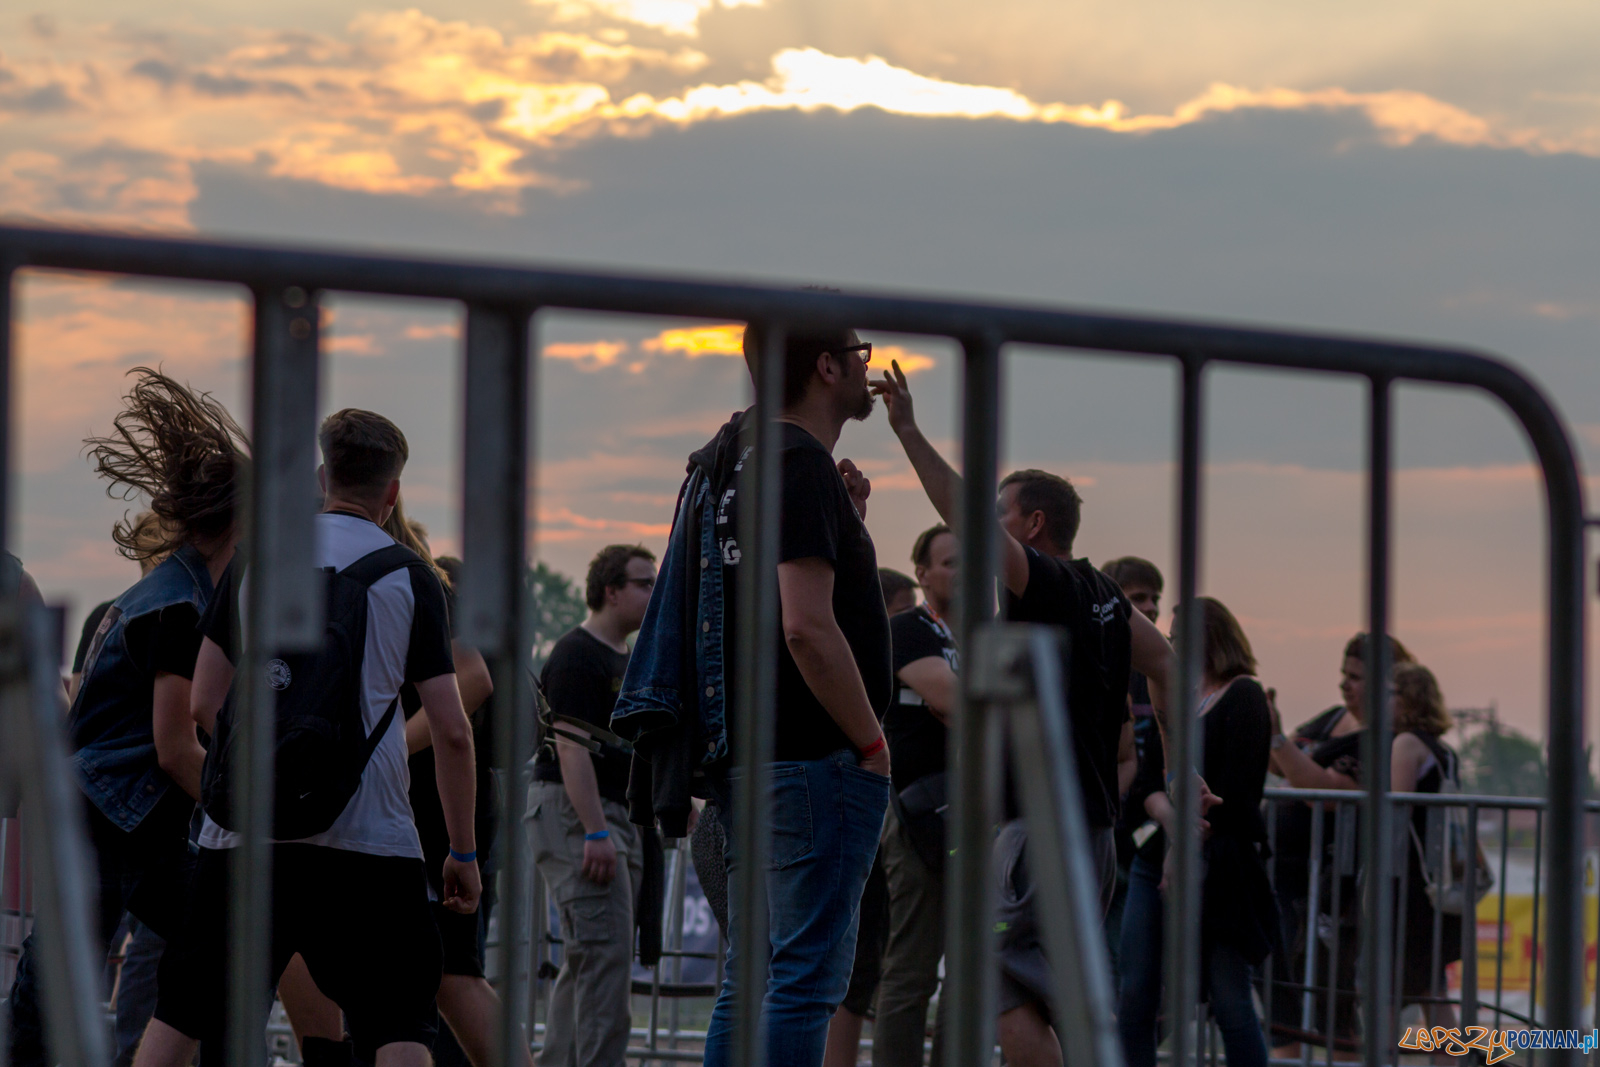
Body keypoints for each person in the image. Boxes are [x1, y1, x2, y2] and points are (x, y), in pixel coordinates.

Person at [134, 408, 481, 1067]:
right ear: (392, 492)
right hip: (370, 836)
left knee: (180, 1014)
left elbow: (206, 702)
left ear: (323, 476)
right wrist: (460, 850)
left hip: (243, 835)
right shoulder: (410, 576)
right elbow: (453, 730)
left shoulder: (256, 562)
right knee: (399, 1023)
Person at [871, 360, 1176, 1067]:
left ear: (1033, 525)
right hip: (1089, 826)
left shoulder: (1051, 583)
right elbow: (1165, 662)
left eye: (1004, 517)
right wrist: (1179, 766)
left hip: (1036, 825)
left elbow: (963, 512)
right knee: (1048, 993)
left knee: (998, 987)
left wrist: (909, 431)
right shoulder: (1103, 592)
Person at [5, 370, 243, 1067]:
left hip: (116, 813)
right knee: (61, 983)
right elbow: (173, 747)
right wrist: (242, 811)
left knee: (202, 957)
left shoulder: (155, 590)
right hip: (115, 817)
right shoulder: (178, 606)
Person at [685, 325, 892, 1067]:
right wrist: (871, 741)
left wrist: (850, 528)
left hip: (751, 754)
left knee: (751, 979)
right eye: (860, 354)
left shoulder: (737, 462)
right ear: (827, 364)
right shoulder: (799, 462)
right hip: (816, 758)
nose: (870, 368)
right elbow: (804, 626)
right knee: (806, 979)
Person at [1268, 654, 1461, 1050]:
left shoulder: (1405, 743)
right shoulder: (1441, 748)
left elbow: (1391, 806)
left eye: (1389, 694)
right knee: (1431, 990)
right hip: (1429, 884)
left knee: (1386, 990)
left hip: (1402, 883)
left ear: (1407, 700)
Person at [1118, 598, 1276, 1067]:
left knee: (1230, 1000)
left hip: (1221, 865)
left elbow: (1237, 795)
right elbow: (1147, 784)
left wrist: (1186, 842)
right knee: (1136, 992)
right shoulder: (1175, 696)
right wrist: (1174, 826)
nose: (1171, 644)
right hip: (1159, 858)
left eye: (1181, 634)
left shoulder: (1243, 694)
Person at [528, 542, 656, 1067]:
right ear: (611, 591)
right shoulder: (577, 653)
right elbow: (571, 749)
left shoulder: (631, 656)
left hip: (610, 813)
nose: (655, 592)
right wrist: (596, 832)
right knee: (604, 960)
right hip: (577, 813)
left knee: (589, 960)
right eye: (644, 583)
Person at [822, 564, 926, 1067]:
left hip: (877, 817)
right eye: (903, 614)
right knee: (855, 964)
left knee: (859, 965)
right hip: (868, 817)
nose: (909, 627)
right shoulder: (864, 667)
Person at [874, 525, 960, 1067]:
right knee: (912, 967)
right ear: (922, 573)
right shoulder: (906, 628)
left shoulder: (989, 633)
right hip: (919, 816)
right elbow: (963, 697)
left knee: (972, 972)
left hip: (985, 817)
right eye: (952, 563)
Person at [1100, 556, 1163, 986]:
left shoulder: (1153, 674)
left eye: (1156, 598)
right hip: (1099, 828)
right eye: (1141, 598)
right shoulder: (1100, 664)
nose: (1153, 608)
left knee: (1131, 961)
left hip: (1142, 835)